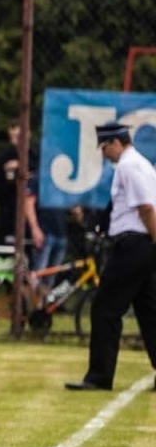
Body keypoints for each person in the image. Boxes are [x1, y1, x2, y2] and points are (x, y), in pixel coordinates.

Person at [64, 122, 156, 391]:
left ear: (117, 142)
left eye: (105, 147)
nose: (104, 153)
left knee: (105, 308)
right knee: (149, 310)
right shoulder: (142, 164)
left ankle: (99, 376)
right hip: (141, 245)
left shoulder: (129, 166)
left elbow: (146, 208)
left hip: (134, 245)